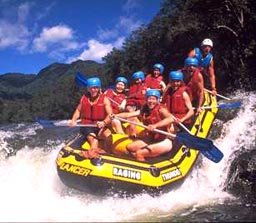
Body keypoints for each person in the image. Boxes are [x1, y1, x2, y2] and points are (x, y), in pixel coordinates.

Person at [114, 89, 175, 162]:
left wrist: (155, 125)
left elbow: (171, 119)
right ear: (146, 99)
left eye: (153, 99)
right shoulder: (144, 110)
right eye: (149, 98)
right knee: (129, 147)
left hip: (164, 141)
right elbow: (128, 114)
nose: (151, 101)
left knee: (139, 153)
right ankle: (146, 160)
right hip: (151, 139)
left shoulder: (161, 109)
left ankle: (145, 164)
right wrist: (115, 116)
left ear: (157, 100)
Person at [69, 77, 113, 158]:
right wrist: (73, 120)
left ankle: (108, 155)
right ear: (88, 88)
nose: (93, 90)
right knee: (94, 140)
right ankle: (93, 155)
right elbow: (78, 110)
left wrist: (104, 122)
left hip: (100, 125)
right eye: (91, 88)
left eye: (96, 88)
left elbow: (110, 115)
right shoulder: (84, 98)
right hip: (87, 125)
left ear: (99, 88)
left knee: (109, 136)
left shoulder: (105, 99)